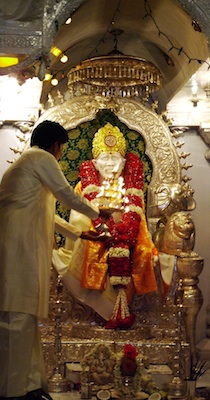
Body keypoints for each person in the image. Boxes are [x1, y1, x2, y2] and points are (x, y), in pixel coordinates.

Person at [0, 120, 107, 400]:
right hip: (16, 249)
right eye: (60, 149)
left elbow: (51, 215)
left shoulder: (27, 164)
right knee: (15, 319)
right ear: (55, 146)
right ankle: (13, 393)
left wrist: (81, 235)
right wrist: (99, 214)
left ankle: (29, 386)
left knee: (20, 321)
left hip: (12, 249)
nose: (59, 154)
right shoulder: (40, 157)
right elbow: (67, 195)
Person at [53, 122, 160, 330]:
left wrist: (123, 232)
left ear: (124, 161)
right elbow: (78, 220)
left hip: (127, 238)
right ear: (94, 163)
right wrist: (101, 230)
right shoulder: (83, 186)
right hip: (94, 236)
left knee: (144, 253)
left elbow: (139, 221)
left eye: (115, 158)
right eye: (105, 158)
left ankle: (126, 312)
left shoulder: (132, 188)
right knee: (89, 248)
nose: (110, 164)